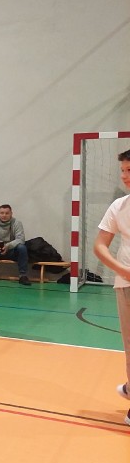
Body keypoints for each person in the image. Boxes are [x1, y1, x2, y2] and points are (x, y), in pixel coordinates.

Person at [92, 149, 130, 426]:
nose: (125, 176)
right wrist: (123, 270)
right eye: (123, 171)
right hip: (127, 284)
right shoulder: (119, 207)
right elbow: (100, 245)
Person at [0, 204, 31, 285]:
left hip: (11, 251)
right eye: (2, 213)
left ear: (11, 214)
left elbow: (20, 239)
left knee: (22, 248)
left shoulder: (17, 223)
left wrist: (8, 246)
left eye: (7, 213)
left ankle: (23, 276)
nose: (4, 215)